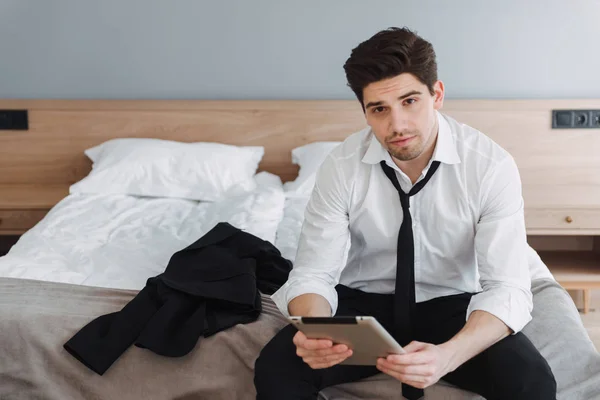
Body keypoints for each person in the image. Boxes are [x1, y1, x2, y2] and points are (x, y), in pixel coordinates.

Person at [254, 27, 557, 400]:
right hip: (365, 306)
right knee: (276, 367)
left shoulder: (490, 166)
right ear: (364, 112)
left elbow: (507, 288)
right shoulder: (341, 166)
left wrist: (447, 357)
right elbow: (314, 273)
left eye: (410, 101)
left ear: (437, 95)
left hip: (453, 305)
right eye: (379, 109)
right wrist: (315, 330)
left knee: (532, 381)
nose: (396, 125)